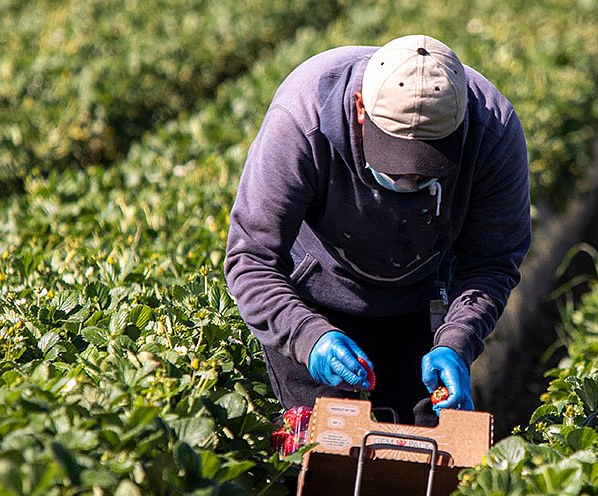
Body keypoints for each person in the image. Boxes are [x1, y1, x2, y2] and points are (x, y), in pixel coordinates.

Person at [225, 35, 531, 423]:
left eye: (427, 170)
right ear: (360, 111)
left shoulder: (493, 132)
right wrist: (308, 337)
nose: (410, 181)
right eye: (397, 165)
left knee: (417, 456)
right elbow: (251, 259)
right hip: (311, 302)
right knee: (321, 455)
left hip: (421, 305)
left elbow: (493, 261)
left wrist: (457, 341)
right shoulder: (304, 117)